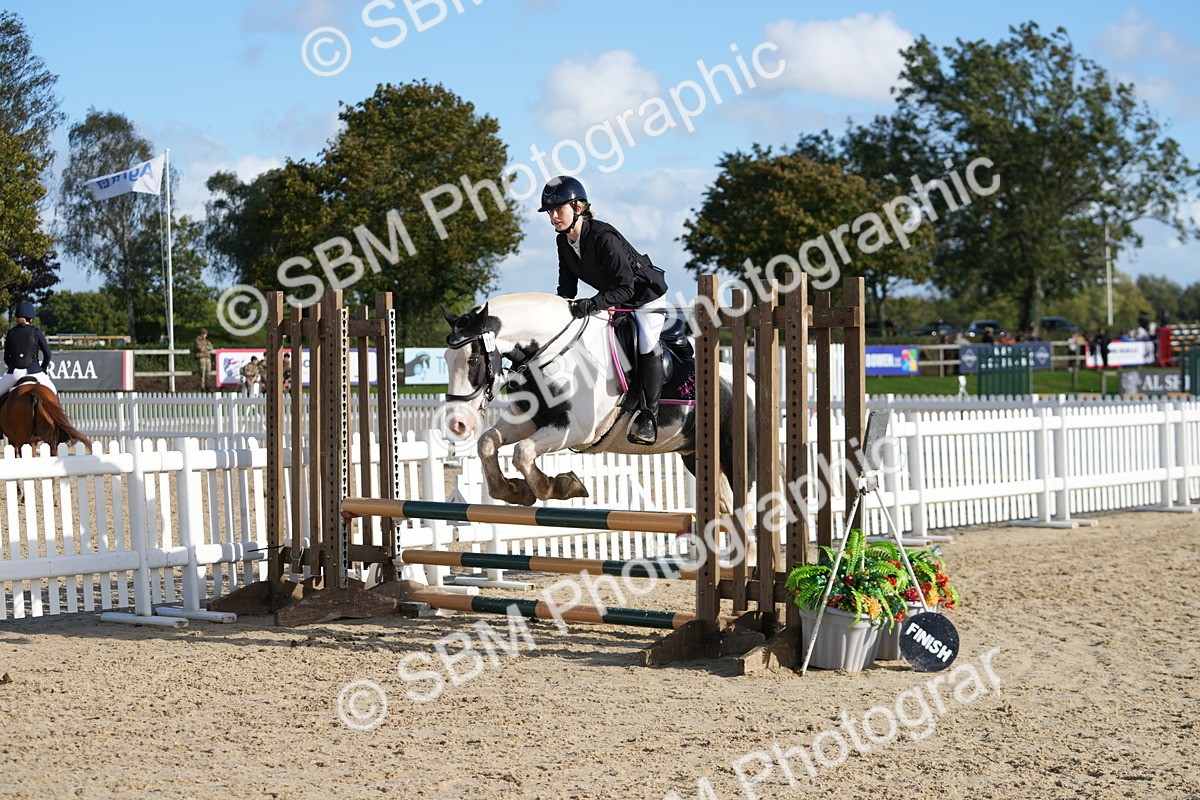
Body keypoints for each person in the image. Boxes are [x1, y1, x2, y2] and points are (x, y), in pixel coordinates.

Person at [539, 176, 669, 445]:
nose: (553, 217)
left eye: (558, 209)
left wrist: (594, 303)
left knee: (645, 342)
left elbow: (627, 288)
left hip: (644, 297)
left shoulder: (603, 238)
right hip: (615, 299)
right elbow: (567, 288)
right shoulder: (563, 241)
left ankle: (649, 416)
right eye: (550, 212)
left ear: (577, 208)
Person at [0, 301, 57, 400]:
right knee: (54, 393)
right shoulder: (36, 332)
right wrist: (42, 369)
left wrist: (13, 367)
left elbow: (6, 358)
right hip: (35, 372)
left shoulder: (11, 333)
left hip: (14, 374)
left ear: (17, 317)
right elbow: (47, 354)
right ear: (31, 319)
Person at [192, 328, 214, 392]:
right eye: (204, 334)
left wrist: (205, 347)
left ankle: (208, 386)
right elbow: (200, 348)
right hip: (201, 358)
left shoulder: (206, 341)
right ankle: (202, 386)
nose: (205, 335)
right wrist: (206, 347)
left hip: (207, 358)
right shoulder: (197, 340)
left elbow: (211, 346)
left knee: (208, 372)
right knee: (202, 373)